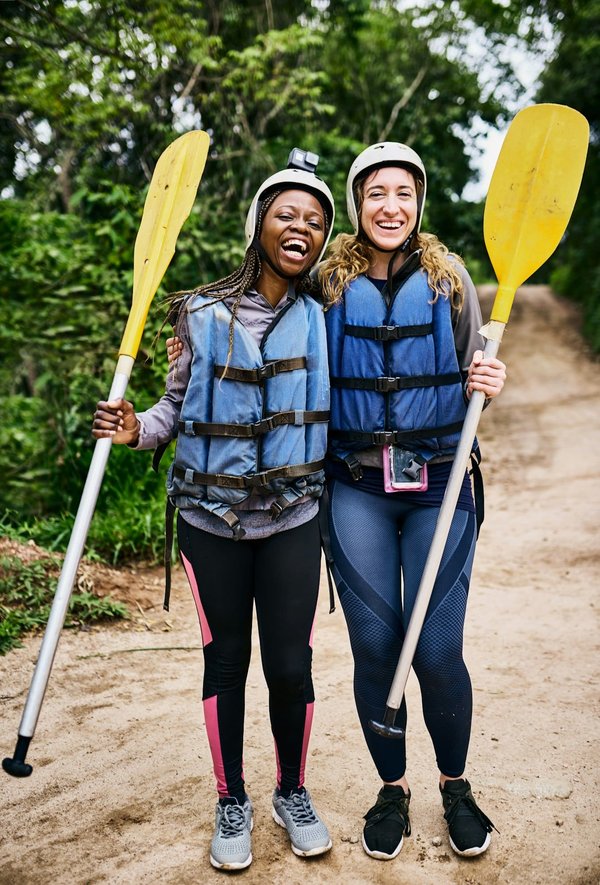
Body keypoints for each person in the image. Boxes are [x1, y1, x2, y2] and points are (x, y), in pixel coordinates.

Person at [92, 149, 335, 871]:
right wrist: (138, 429)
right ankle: (232, 798)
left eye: (316, 221)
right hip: (210, 519)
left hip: (293, 515)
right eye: (287, 212)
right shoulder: (197, 313)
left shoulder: (325, 316)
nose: (301, 227)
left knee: (290, 666)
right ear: (258, 221)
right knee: (225, 661)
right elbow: (173, 404)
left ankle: (292, 788)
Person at [317, 142, 506, 862]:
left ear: (419, 202)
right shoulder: (327, 283)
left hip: (439, 482)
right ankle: (391, 787)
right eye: (375, 194)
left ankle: (455, 786)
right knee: (373, 643)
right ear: (358, 203)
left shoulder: (448, 276)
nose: (390, 205)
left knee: (435, 647)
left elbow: (469, 370)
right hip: (357, 484)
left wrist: (488, 378)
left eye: (403, 193)